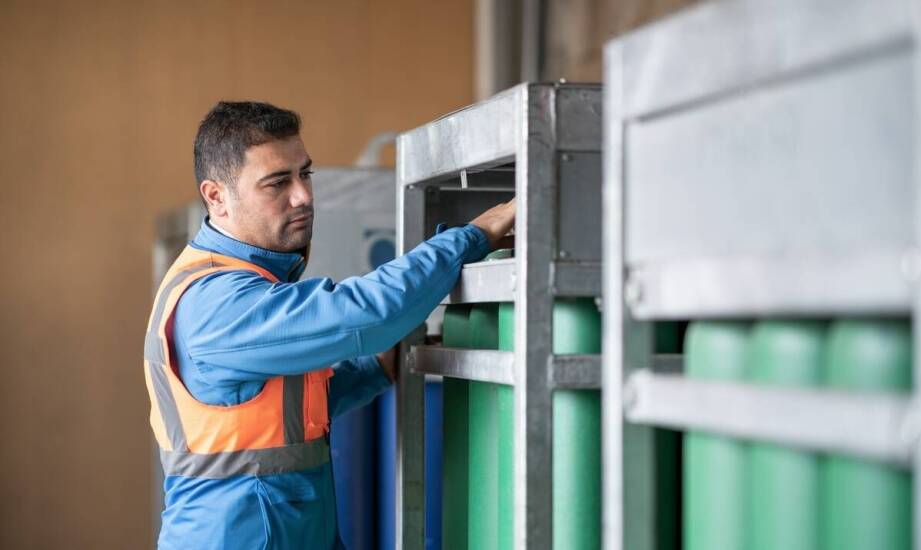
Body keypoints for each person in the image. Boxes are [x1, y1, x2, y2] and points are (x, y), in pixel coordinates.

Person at [143, 100, 516, 549]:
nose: (303, 195)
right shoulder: (216, 301)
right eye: (277, 182)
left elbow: (285, 411)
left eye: (305, 174)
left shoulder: (250, 281)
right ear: (216, 197)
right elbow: (368, 313)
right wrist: (472, 237)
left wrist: (377, 368)